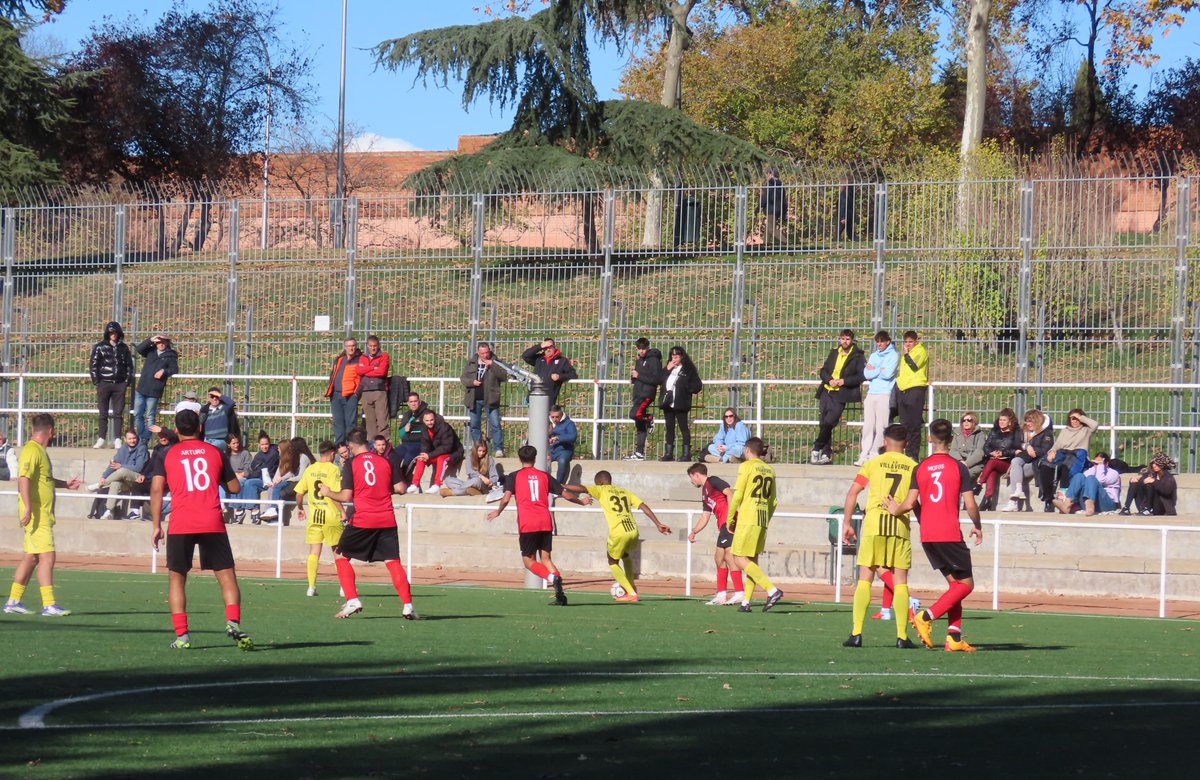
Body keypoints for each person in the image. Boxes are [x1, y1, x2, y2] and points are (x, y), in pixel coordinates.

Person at [150, 409, 253, 650]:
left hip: (181, 522)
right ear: (200, 428)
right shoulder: (215, 452)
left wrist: (156, 525)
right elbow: (235, 487)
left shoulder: (166, 453)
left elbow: (156, 490)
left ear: (175, 429)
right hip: (211, 520)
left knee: (177, 579)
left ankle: (182, 636)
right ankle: (233, 622)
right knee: (226, 575)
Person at [888, 418, 984, 652]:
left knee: (955, 586)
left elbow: (911, 503)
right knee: (967, 585)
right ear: (951, 440)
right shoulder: (958, 467)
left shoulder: (920, 467)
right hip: (949, 533)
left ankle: (953, 637)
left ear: (930, 438)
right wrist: (977, 524)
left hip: (928, 534)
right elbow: (970, 504)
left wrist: (895, 508)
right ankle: (926, 616)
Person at [319, 428, 416, 619]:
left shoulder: (352, 464)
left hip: (364, 518)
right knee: (393, 561)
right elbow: (400, 488)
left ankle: (353, 600)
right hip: (387, 518)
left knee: (340, 555)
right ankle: (408, 605)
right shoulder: (384, 461)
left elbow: (346, 496)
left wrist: (328, 492)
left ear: (352, 446)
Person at [840, 423, 919, 649]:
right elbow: (915, 501)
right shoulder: (914, 466)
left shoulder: (872, 463)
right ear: (906, 444)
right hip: (899, 526)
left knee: (866, 577)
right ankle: (902, 637)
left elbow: (853, 492)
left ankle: (856, 633)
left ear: (885, 442)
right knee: (901, 581)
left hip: (874, 524)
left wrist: (847, 523)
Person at [485, 445, 587, 606]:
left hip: (528, 523)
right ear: (535, 458)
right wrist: (581, 501)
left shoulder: (514, 476)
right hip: (545, 521)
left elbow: (505, 498)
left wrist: (498, 512)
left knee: (529, 561)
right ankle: (560, 595)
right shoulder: (544, 476)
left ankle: (552, 578)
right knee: (546, 559)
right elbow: (565, 494)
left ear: (519, 459)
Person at [3, 413, 82, 617]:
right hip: (37, 515)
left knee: (31, 558)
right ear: (51, 431)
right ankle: (49, 604)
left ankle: (13, 601)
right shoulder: (32, 450)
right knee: (48, 556)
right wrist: (28, 507)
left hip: (41, 513)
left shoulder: (38, 451)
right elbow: (23, 478)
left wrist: (65, 484)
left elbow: (43, 479)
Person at [564, 471, 671, 603]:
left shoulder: (601, 489)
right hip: (633, 530)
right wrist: (658, 523)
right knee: (625, 555)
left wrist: (561, 485)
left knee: (612, 560)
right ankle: (631, 587)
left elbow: (581, 488)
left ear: (600, 482)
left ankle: (631, 593)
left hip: (619, 531)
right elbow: (643, 506)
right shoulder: (624, 491)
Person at [727, 438, 785, 613]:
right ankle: (746, 602)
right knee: (751, 559)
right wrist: (766, 518)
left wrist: (730, 517)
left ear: (747, 450)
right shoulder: (770, 469)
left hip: (748, 516)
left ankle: (772, 589)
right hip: (762, 517)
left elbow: (737, 495)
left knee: (737, 557)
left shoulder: (746, 466)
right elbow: (774, 501)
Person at [685, 462, 744, 606]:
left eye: (691, 477)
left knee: (729, 557)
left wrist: (731, 517)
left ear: (696, 475)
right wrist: (694, 531)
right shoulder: (705, 492)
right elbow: (705, 515)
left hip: (728, 523)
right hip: (723, 525)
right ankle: (722, 594)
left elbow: (730, 492)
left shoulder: (713, 481)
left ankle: (738, 593)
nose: (691, 481)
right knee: (719, 558)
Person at [294, 440, 344, 597]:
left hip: (315, 516)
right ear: (331, 453)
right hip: (330, 515)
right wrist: (342, 511)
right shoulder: (333, 469)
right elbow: (334, 493)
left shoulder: (310, 469)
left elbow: (299, 493)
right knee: (338, 553)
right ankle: (344, 587)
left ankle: (311, 586)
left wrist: (301, 508)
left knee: (314, 552)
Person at [811, 329, 865, 465]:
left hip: (841, 394)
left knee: (829, 422)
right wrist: (829, 380)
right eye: (842, 339)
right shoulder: (834, 352)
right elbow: (823, 371)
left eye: (847, 339)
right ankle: (826, 453)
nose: (844, 342)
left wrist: (844, 381)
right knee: (824, 423)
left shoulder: (858, 355)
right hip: (826, 390)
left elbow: (861, 376)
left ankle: (817, 447)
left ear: (852, 340)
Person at [1036, 408, 1098, 511]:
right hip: (1062, 452)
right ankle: (1048, 498)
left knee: (1067, 469)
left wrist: (1080, 417)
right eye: (1072, 418)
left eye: (1076, 419)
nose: (1074, 421)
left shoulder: (1086, 430)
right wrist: (1052, 452)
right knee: (1045, 465)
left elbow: (1095, 425)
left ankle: (1065, 501)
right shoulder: (1065, 430)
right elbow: (1058, 444)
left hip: (1077, 453)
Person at [855, 331, 898, 467]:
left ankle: (875, 453)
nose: (879, 344)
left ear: (888, 341)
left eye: (882, 341)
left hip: (885, 393)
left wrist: (876, 369)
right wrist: (880, 369)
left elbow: (888, 374)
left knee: (881, 426)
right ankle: (864, 454)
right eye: (877, 341)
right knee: (868, 425)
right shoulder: (874, 355)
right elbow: (867, 374)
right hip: (871, 393)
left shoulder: (894, 355)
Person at [89, 320, 134, 449]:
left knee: (118, 413)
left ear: (119, 333)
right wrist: (97, 381)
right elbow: (93, 365)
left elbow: (129, 366)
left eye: (115, 332)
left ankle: (118, 439)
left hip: (119, 384)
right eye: (111, 333)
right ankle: (101, 438)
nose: (113, 335)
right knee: (103, 412)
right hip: (104, 383)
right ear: (107, 334)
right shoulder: (100, 347)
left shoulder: (123, 347)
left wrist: (126, 382)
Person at [85, 429, 149, 520]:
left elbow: (138, 467)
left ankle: (99, 485)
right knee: (115, 484)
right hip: (125, 481)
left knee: (122, 470)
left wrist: (121, 466)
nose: (132, 441)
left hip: (137, 479)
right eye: (130, 439)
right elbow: (113, 464)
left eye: (134, 438)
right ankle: (108, 511)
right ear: (125, 439)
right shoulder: (123, 448)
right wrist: (103, 476)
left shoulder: (142, 448)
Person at [1000, 409, 1053, 512]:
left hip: (1036, 464)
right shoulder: (1023, 431)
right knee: (1016, 463)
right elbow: (1017, 443)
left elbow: (1045, 450)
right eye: (1026, 421)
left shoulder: (1046, 433)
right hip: (1024, 461)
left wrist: (1033, 450)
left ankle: (1013, 502)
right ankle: (1017, 493)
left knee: (1015, 468)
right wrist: (1027, 446)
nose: (1027, 423)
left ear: (1037, 421)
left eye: (1030, 421)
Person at [461, 341, 507, 456]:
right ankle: (479, 448)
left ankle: (498, 448)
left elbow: (503, 376)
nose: (485, 355)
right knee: (475, 425)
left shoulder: (496, 361)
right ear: (478, 352)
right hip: (474, 399)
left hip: (491, 398)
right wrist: (472, 382)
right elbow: (463, 378)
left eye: (487, 352)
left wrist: (492, 365)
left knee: (495, 424)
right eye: (482, 353)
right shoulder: (471, 362)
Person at [658, 346, 703, 462]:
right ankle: (668, 453)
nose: (674, 358)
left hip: (681, 403)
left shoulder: (688, 369)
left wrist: (686, 390)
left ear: (682, 357)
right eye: (672, 356)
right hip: (668, 403)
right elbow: (658, 380)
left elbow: (697, 385)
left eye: (677, 356)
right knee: (669, 427)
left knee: (683, 427)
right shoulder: (669, 367)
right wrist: (667, 369)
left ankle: (686, 453)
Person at [132, 334, 179, 445]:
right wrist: (150, 339)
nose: (161, 344)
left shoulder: (171, 355)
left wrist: (164, 371)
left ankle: (145, 439)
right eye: (158, 342)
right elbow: (139, 349)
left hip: (154, 390)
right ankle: (141, 435)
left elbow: (174, 369)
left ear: (167, 343)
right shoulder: (151, 351)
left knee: (149, 416)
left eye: (163, 342)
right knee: (137, 414)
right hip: (141, 388)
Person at [407, 409, 464, 495]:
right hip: (436, 452)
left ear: (435, 419)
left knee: (441, 459)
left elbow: (447, 447)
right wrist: (424, 454)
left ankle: (437, 484)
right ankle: (415, 484)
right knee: (420, 458)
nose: (429, 422)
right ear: (423, 420)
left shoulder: (445, 427)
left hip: (453, 452)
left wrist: (429, 455)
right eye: (427, 420)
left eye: (431, 420)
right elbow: (424, 445)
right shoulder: (424, 428)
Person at [624, 337, 662, 461]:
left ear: (647, 347)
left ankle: (649, 418)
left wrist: (639, 375)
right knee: (639, 425)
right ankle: (639, 452)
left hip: (646, 394)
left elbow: (656, 379)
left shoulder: (654, 360)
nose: (641, 351)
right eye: (639, 349)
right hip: (638, 393)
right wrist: (634, 378)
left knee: (634, 414)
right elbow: (638, 376)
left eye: (643, 349)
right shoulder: (640, 360)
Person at [975, 409, 1021, 512]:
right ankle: (986, 500)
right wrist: (991, 452)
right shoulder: (995, 431)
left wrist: (1003, 453)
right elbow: (986, 446)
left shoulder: (1016, 433)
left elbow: (1018, 449)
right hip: (994, 461)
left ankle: (979, 484)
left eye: (1004, 420)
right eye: (1000, 420)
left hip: (1007, 462)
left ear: (1010, 422)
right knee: (992, 471)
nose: (1001, 422)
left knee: (992, 463)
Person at [259, 437, 313, 523]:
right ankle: (273, 516)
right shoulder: (296, 457)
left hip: (301, 483)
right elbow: (292, 472)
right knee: (274, 488)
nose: (290, 448)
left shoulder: (304, 457)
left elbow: (300, 477)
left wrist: (285, 480)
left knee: (279, 490)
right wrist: (280, 479)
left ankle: (274, 513)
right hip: (294, 481)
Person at [895, 330, 929, 460]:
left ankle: (912, 455)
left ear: (916, 342)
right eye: (906, 342)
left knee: (914, 425)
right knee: (904, 424)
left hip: (915, 389)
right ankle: (904, 452)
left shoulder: (921, 352)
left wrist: (907, 354)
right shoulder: (905, 355)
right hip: (903, 389)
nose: (908, 344)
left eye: (910, 342)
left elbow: (914, 366)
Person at [1055, 451, 1121, 515]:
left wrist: (1101, 465)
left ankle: (1090, 504)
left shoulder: (1114, 473)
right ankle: (1067, 503)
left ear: (1106, 463)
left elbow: (1100, 480)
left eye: (1099, 463)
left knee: (1091, 478)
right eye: (1095, 463)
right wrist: (1095, 468)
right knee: (1079, 476)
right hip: (1089, 503)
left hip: (1107, 504)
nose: (1097, 465)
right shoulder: (1093, 469)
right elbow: (1082, 479)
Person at [521, 337, 577, 408]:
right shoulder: (539, 359)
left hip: (549, 397)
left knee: (546, 417)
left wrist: (559, 376)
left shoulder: (562, 361)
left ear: (554, 347)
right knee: (534, 417)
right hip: (534, 394)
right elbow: (525, 356)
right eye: (545, 347)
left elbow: (573, 374)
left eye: (550, 347)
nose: (548, 349)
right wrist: (540, 346)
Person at [325, 337, 362, 444]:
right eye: (349, 346)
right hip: (336, 395)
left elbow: (361, 378)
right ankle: (340, 447)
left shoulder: (360, 359)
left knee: (350, 423)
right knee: (338, 422)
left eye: (353, 346)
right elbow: (333, 374)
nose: (351, 348)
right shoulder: (340, 359)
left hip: (350, 395)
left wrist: (356, 393)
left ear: (356, 346)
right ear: (345, 347)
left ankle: (350, 446)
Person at [356, 335, 390, 441]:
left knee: (382, 421)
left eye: (375, 346)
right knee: (370, 423)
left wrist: (366, 370)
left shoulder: (384, 356)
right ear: (367, 346)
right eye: (370, 346)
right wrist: (373, 367)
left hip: (379, 391)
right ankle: (371, 445)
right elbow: (359, 371)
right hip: (365, 391)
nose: (373, 348)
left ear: (378, 345)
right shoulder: (362, 357)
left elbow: (381, 371)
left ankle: (384, 445)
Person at [243, 431, 279, 524]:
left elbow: (264, 470)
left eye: (266, 444)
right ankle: (241, 509)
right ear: (259, 444)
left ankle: (255, 510)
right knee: (242, 482)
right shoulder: (258, 455)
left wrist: (250, 475)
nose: (264, 447)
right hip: (260, 479)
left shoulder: (274, 451)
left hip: (269, 481)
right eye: (262, 444)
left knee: (249, 482)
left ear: (270, 443)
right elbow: (254, 469)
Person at [394, 392, 431, 478]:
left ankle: (403, 479)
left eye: (415, 401)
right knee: (393, 455)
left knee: (409, 456)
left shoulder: (426, 413)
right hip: (406, 443)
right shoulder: (407, 415)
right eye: (411, 402)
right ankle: (395, 479)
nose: (413, 403)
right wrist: (405, 430)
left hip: (419, 443)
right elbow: (400, 434)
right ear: (408, 403)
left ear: (419, 402)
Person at [222, 433, 252, 523]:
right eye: (234, 443)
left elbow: (248, 469)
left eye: (237, 443)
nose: (236, 445)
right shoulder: (226, 455)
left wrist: (240, 475)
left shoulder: (245, 453)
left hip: (242, 477)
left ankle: (237, 509)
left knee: (239, 483)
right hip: (231, 477)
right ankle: (222, 505)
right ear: (228, 445)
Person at [949, 411, 986, 482]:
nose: (966, 422)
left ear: (974, 422)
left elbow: (979, 453)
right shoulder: (957, 433)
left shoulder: (980, 434)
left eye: (969, 420)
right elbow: (953, 450)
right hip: (959, 463)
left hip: (974, 465)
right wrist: (961, 461)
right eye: (963, 420)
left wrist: (967, 463)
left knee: (964, 476)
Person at [199, 386, 238, 451]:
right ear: (208, 398)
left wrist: (219, 395)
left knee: (211, 449)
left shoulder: (224, 408)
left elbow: (231, 403)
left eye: (216, 396)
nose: (214, 398)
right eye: (212, 396)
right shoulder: (204, 410)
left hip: (220, 440)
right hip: (207, 439)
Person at [547, 404, 577, 484]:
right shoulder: (548, 423)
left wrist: (558, 438)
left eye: (557, 417)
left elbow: (572, 437)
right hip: (551, 450)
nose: (555, 419)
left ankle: (558, 484)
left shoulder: (569, 424)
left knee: (562, 462)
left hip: (564, 450)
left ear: (562, 415)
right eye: (552, 417)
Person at [759, 166, 787, 245]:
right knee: (768, 227)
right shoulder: (780, 184)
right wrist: (784, 212)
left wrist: (759, 207)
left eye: (768, 173)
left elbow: (765, 197)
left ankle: (785, 241)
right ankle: (765, 244)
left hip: (771, 209)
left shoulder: (770, 183)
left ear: (771, 174)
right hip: (778, 208)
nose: (767, 176)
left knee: (771, 229)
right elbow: (784, 199)